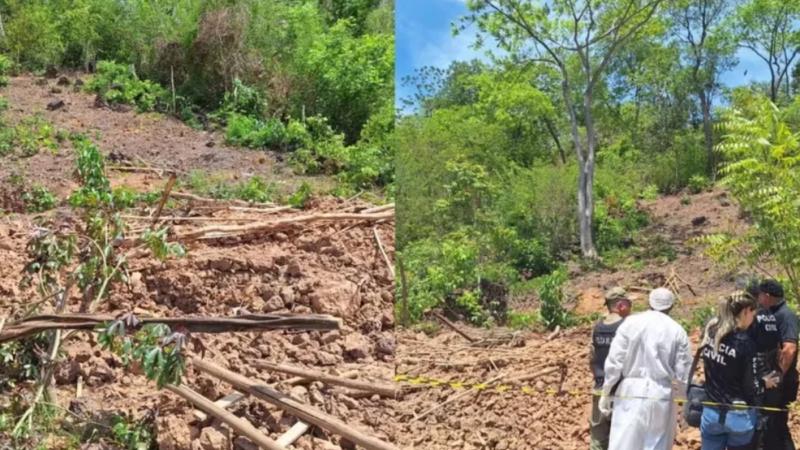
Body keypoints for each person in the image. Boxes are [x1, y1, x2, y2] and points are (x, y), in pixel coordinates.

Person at [599, 288, 693, 450]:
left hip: (630, 391)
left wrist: (606, 391)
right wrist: (685, 403)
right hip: (661, 393)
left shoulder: (630, 323)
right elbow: (684, 374)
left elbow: (615, 361)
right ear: (671, 306)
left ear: (649, 302)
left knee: (624, 441)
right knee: (657, 443)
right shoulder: (677, 331)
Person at [700, 292, 772, 450]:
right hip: (738, 416)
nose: (754, 318)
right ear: (746, 311)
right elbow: (751, 387)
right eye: (754, 312)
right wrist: (765, 383)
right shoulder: (744, 343)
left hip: (711, 412)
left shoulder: (711, 332)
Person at [589, 287, 633, 450]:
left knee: (598, 438)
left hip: (600, 388)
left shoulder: (598, 327)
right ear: (621, 305)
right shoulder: (627, 327)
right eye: (629, 303)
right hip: (622, 391)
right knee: (622, 438)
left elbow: (592, 359)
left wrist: (599, 380)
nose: (631, 307)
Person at [758, 280, 798, 450]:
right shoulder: (770, 313)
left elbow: (789, 349)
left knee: (777, 425)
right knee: (770, 426)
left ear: (767, 296)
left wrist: (776, 376)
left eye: (760, 294)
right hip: (772, 380)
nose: (758, 297)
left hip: (781, 382)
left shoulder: (785, 315)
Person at [745, 282, 783, 450]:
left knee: (758, 420)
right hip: (773, 369)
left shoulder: (751, 316)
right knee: (770, 418)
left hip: (758, 371)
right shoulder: (769, 314)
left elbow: (745, 345)